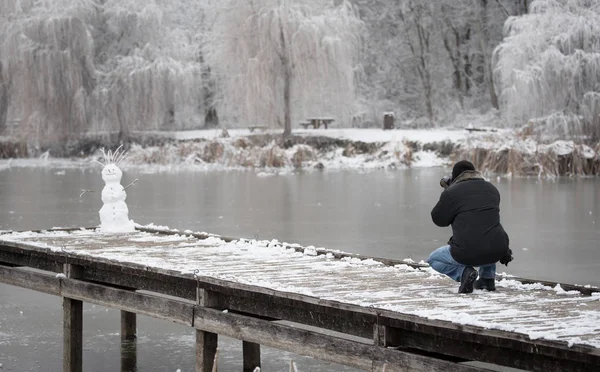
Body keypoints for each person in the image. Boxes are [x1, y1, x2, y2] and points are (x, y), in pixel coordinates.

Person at [428, 160, 512, 294]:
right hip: (498, 249)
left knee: (434, 259)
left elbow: (439, 220)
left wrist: (447, 193)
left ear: (455, 177)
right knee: (487, 231)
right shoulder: (492, 189)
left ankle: (464, 273)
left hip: (468, 252)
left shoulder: (452, 193)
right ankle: (487, 279)